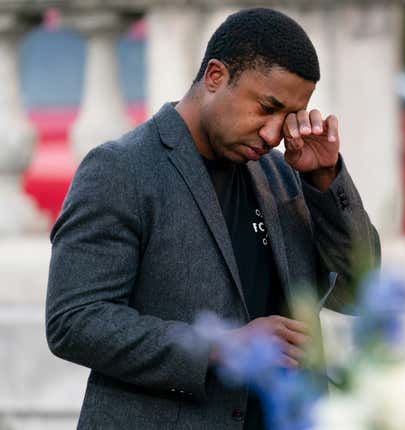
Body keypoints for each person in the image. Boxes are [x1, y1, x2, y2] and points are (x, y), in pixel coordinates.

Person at [45, 7, 380, 430]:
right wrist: (222, 345)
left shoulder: (286, 176)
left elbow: (360, 292)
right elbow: (74, 322)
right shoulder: (120, 169)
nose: (274, 133)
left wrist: (326, 181)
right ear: (216, 76)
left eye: (288, 117)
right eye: (267, 107)